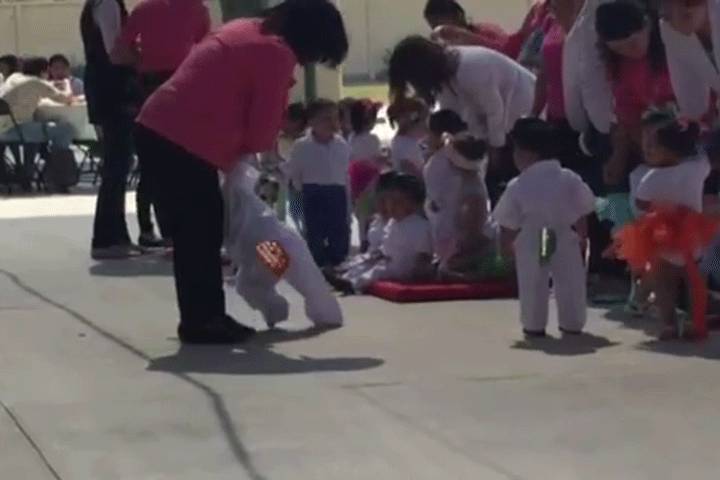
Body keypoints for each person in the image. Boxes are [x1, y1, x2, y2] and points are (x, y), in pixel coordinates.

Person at [133, 0, 348, 344]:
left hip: (160, 126)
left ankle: (206, 315)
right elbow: (261, 132)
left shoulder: (243, 28)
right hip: (183, 139)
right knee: (201, 231)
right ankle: (202, 321)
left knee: (199, 231)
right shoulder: (275, 54)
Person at [388, 35, 535, 203]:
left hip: (521, 113)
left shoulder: (470, 67)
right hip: (500, 125)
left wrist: (495, 150)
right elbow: (453, 114)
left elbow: (494, 111)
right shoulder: (445, 77)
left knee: (506, 184)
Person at [111, 0, 210, 249]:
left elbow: (120, 50)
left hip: (150, 84)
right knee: (186, 156)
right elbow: (204, 48)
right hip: (185, 83)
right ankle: (181, 227)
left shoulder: (144, 8)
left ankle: (150, 229)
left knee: (152, 159)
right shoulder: (197, 8)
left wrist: (143, 60)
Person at [494, 118, 595, 338]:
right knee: (570, 280)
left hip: (536, 236)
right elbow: (583, 208)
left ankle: (534, 324)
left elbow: (508, 222)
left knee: (533, 280)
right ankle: (572, 322)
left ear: (525, 153)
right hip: (563, 234)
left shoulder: (519, 184)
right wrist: (582, 236)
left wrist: (505, 248)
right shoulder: (568, 177)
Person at [226, 160, 343, 329]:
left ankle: (278, 311)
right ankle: (323, 314)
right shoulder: (238, 187)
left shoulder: (233, 186)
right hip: (267, 243)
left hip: (265, 246)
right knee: (302, 278)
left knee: (252, 284)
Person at [631, 113, 710, 339]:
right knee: (695, 279)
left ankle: (668, 323)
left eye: (654, 146)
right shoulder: (696, 168)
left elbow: (640, 202)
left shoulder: (652, 177)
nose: (649, 149)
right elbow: (704, 156)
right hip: (693, 234)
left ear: (668, 151)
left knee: (663, 280)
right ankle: (694, 320)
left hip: (663, 234)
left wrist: (661, 205)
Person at [81, 0, 141, 259]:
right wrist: (146, 59)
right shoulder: (107, 4)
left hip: (104, 89)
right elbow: (115, 52)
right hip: (113, 92)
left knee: (117, 164)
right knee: (117, 164)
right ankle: (107, 238)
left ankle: (116, 235)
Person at [596, 0, 675, 188]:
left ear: (647, 25)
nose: (628, 53)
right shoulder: (620, 66)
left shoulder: (674, 47)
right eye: (618, 49)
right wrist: (619, 156)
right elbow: (627, 115)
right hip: (650, 146)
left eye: (632, 44)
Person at [332, 174, 435, 293]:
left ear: (413, 205)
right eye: (390, 202)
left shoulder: (420, 226)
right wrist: (379, 254)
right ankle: (345, 278)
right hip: (388, 260)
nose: (391, 206)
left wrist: (419, 272)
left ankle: (353, 284)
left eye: (398, 202)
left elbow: (423, 254)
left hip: (404, 266)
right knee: (366, 265)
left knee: (377, 271)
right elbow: (387, 243)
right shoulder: (392, 222)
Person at [287, 98, 351, 269]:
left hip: (336, 190)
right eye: (326, 119)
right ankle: (318, 263)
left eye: (335, 118)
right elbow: (295, 170)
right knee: (314, 230)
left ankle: (338, 261)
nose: (332, 123)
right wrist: (300, 189)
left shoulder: (341, 144)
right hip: (312, 191)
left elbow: (344, 170)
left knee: (338, 228)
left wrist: (345, 192)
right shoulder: (301, 146)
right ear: (312, 122)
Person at [0, 57, 75, 159]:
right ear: (43, 72)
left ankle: (31, 165)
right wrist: (67, 83)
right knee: (65, 129)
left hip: (4, 128)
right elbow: (67, 98)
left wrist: (50, 85)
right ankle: (57, 162)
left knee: (35, 126)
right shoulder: (36, 82)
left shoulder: (14, 77)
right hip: (15, 130)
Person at [660, 0, 718, 122]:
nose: (679, 11)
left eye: (688, 2)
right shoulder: (670, 32)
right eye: (668, 4)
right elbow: (692, 102)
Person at [260, 102, 307, 223]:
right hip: (276, 186)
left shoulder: (307, 141)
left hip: (298, 188)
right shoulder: (272, 138)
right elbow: (264, 164)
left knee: (298, 215)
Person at [348, 98, 383, 251]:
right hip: (370, 180)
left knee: (361, 214)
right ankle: (369, 243)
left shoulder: (351, 138)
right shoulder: (373, 139)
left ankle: (363, 240)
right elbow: (375, 160)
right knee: (371, 214)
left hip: (355, 179)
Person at [425, 0, 510, 54]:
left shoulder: (487, 31)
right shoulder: (442, 47)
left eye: (441, 25)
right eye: (433, 27)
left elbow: (507, 53)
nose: (439, 31)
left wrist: (468, 37)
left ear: (458, 15)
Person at [387, 96, 428, 177]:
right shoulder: (403, 145)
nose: (427, 127)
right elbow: (413, 173)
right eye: (424, 121)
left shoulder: (410, 141)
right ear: (413, 123)